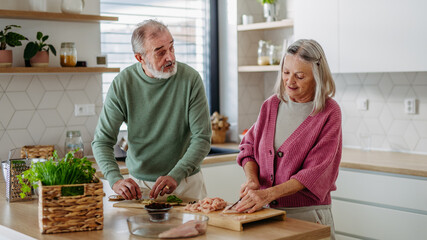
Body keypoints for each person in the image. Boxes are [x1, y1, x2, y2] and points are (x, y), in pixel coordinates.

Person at [92, 19, 212, 201]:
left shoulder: (191, 80)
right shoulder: (122, 84)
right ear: (140, 58)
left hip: (186, 183)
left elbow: (202, 138)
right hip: (140, 188)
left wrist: (176, 174)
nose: (170, 57)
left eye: (171, 48)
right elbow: (102, 141)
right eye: (160, 53)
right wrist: (115, 179)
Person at [235, 39, 341, 239]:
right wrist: (253, 181)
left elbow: (314, 172)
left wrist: (268, 194)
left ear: (318, 77)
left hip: (308, 216)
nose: (290, 82)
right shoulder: (271, 105)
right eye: (286, 73)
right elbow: (248, 147)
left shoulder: (329, 112)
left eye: (300, 76)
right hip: (267, 214)